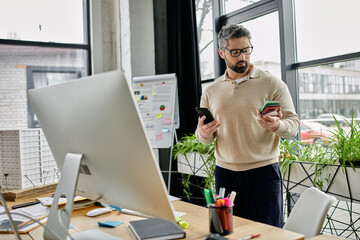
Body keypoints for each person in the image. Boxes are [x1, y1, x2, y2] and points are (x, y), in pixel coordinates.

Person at [195, 23, 299, 228]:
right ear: (221, 53)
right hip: (224, 173)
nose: (242, 57)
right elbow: (204, 137)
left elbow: (293, 125)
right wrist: (203, 133)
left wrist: (276, 125)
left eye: (246, 50)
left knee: (267, 233)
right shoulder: (211, 91)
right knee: (227, 232)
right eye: (235, 52)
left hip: (263, 172)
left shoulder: (272, 83)